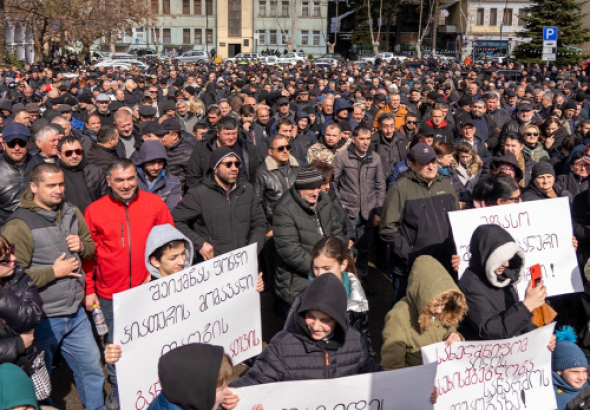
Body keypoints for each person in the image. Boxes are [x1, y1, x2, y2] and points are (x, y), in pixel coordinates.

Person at [1, 163, 105, 410]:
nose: (58, 190)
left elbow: (90, 246)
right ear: (34, 186)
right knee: (40, 381)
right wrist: (53, 272)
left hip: (76, 313)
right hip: (43, 319)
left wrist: (83, 246)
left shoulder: (70, 211)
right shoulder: (19, 225)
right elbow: (11, 278)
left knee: (91, 369)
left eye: (61, 184)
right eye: (51, 185)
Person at [84, 159, 174, 409]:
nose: (126, 185)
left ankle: (153, 386)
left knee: (153, 340)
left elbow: (169, 243)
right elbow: (88, 256)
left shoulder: (154, 203)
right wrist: (89, 289)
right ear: (108, 181)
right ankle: (119, 388)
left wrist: (157, 274)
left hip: (148, 290)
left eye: (131, 178)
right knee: (115, 344)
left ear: (138, 177)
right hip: (110, 294)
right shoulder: (94, 210)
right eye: (120, 180)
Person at [227, 273, 381, 390]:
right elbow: (256, 380)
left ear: (339, 319)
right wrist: (231, 394)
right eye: (310, 316)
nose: (316, 326)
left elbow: (373, 374)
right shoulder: (283, 345)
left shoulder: (355, 341)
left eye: (325, 320)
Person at [380, 143, 459, 304]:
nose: (431, 166)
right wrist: (410, 256)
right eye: (424, 163)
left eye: (433, 161)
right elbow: (388, 229)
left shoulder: (446, 185)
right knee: (406, 314)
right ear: (412, 164)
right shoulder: (400, 189)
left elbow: (457, 220)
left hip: (445, 265)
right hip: (411, 268)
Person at [172, 147, 266, 261]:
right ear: (215, 168)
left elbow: (259, 223)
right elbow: (176, 220)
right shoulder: (198, 194)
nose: (234, 168)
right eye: (228, 164)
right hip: (214, 265)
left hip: (244, 262)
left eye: (237, 164)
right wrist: (199, 244)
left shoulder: (247, 190)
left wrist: (253, 249)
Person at [272, 165, 345, 305]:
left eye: (318, 187)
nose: (316, 193)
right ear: (300, 188)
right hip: (298, 278)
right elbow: (290, 252)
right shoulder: (284, 209)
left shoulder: (324, 199)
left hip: (328, 268)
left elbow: (336, 229)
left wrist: (338, 257)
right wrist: (321, 269)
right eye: (311, 188)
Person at [381, 255, 467, 370]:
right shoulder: (398, 318)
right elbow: (392, 367)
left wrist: (457, 337)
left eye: (444, 304)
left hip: (443, 378)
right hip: (416, 382)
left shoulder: (446, 309)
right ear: (423, 297)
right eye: (435, 305)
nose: (440, 310)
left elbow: (450, 331)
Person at [458, 224, 542, 340]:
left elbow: (515, 319)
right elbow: (489, 330)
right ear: (485, 257)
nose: (506, 264)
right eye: (500, 258)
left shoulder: (503, 276)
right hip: (489, 355)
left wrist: (539, 336)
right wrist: (527, 306)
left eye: (508, 258)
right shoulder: (469, 286)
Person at [333, 126, 385, 295]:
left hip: (369, 211)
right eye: (362, 139)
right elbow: (333, 183)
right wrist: (340, 204)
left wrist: (378, 210)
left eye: (368, 139)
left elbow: (380, 185)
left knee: (365, 248)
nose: (365, 142)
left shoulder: (374, 158)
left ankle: (362, 278)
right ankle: (347, 279)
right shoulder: (342, 157)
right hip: (349, 211)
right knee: (347, 247)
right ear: (353, 139)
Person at [0, 234, 43, 370]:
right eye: (5, 258)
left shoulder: (19, 275)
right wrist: (18, 344)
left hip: (23, 365)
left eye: (11, 250)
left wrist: (2, 295)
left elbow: (32, 316)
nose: (13, 258)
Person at [186, 116, 260, 188]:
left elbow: (256, 175)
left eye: (234, 133)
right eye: (227, 134)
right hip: (210, 194)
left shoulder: (246, 147)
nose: (231, 137)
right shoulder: (203, 148)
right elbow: (193, 177)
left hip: (241, 193)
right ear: (218, 133)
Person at [255, 134, 301, 225]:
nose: (285, 151)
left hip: (300, 221)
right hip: (276, 224)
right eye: (280, 148)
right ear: (270, 152)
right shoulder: (261, 173)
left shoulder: (299, 166)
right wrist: (267, 227)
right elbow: (256, 204)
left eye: (287, 147)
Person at [0, 123, 39, 227]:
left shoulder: (40, 166)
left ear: (29, 143)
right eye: (11, 143)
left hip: (37, 230)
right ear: (3, 144)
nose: (17, 148)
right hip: (6, 234)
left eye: (21, 143)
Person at [57, 136, 107, 213]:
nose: (74, 156)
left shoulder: (96, 171)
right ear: (59, 154)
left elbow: (105, 198)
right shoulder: (53, 174)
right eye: (68, 153)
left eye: (78, 151)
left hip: (92, 219)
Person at [135, 140, 182, 210]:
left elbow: (171, 211)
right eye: (151, 163)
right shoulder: (131, 180)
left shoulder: (173, 183)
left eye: (160, 162)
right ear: (143, 162)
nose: (156, 168)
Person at [551, 326, 590, 410]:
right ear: (559, 371)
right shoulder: (545, 391)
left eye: (584, 371)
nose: (581, 377)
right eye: (575, 372)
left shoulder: (587, 391)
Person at [370, 112, 409, 181]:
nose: (389, 130)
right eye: (385, 126)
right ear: (380, 127)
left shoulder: (401, 139)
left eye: (392, 126)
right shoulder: (373, 142)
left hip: (398, 180)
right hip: (380, 182)